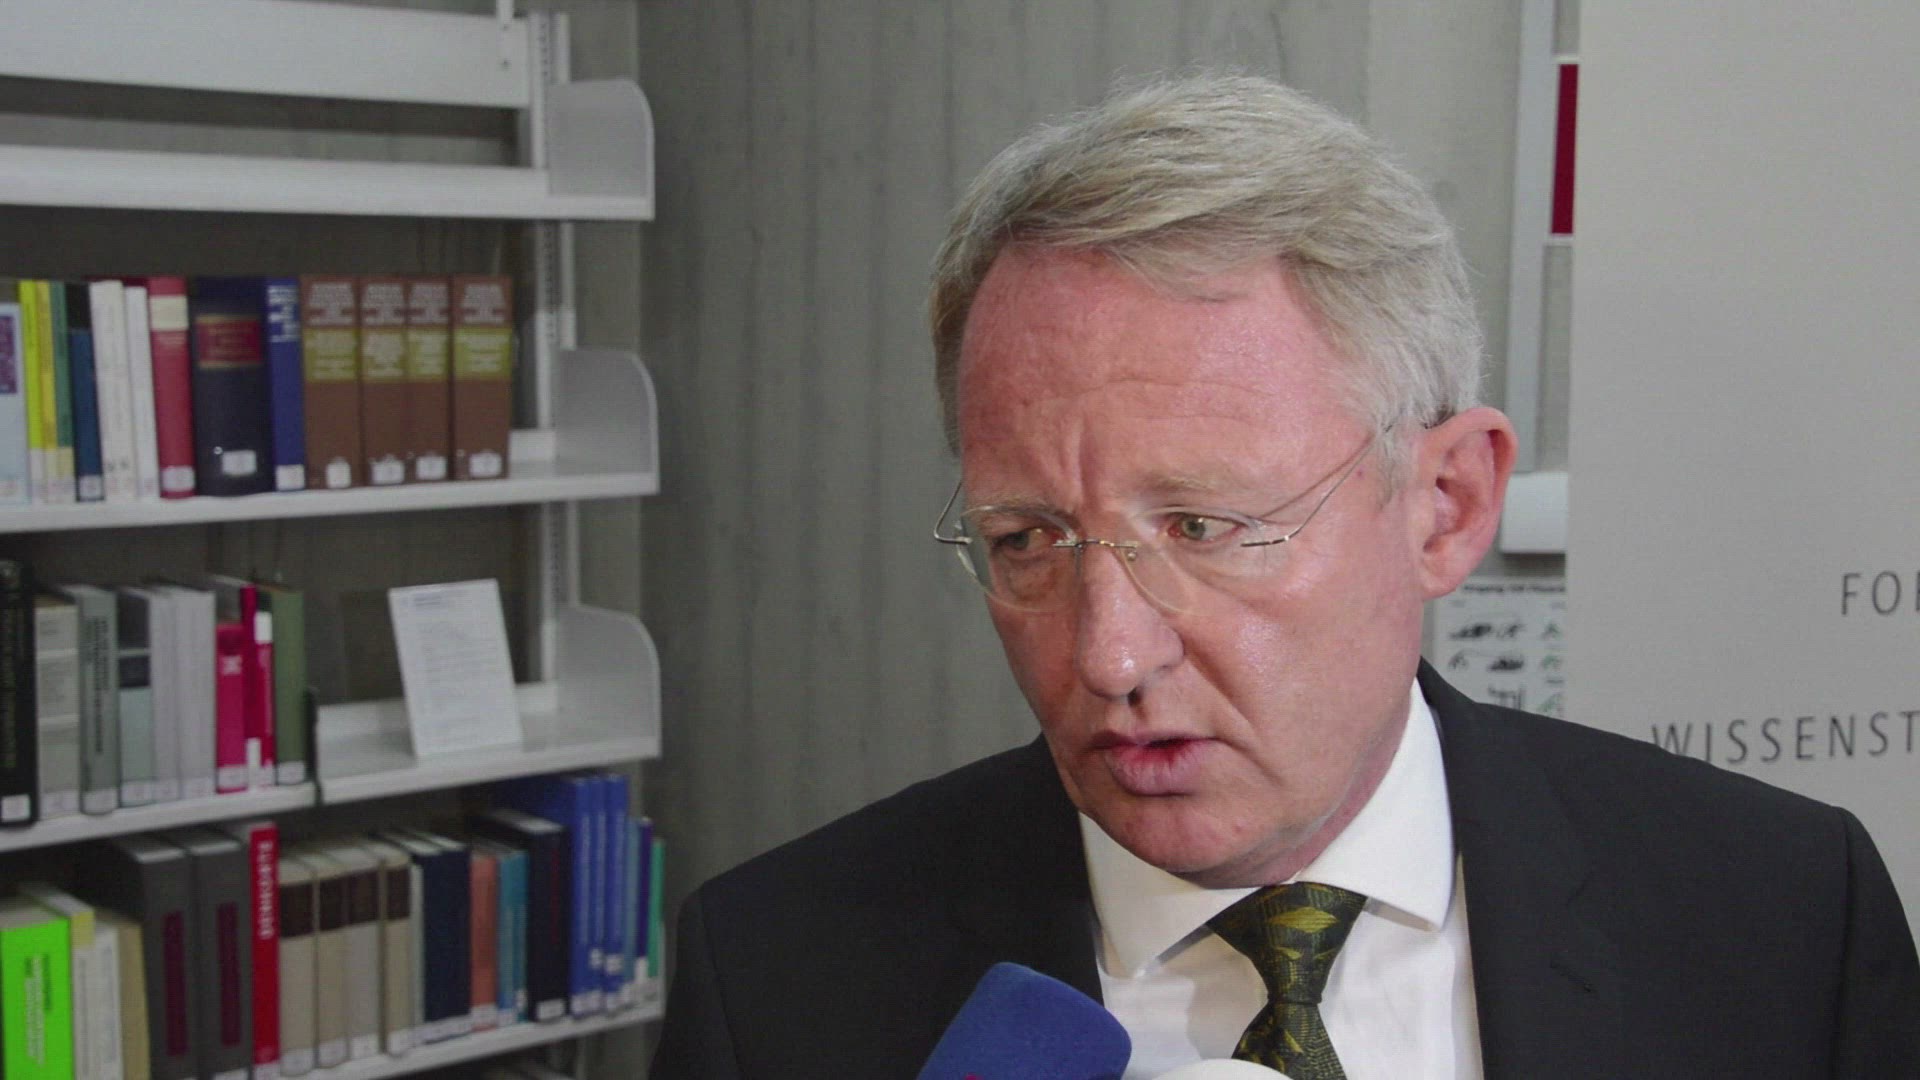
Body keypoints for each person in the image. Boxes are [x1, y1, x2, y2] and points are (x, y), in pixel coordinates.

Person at [650, 72, 1920, 1079]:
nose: (1109, 653)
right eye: (1030, 538)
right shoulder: (773, 982)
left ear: (1445, 506)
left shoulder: (1784, 916)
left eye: (1204, 526)